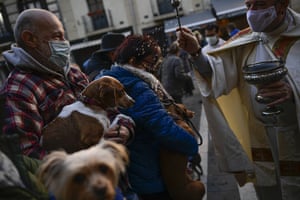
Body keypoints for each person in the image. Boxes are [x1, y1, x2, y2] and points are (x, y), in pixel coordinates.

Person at [0, 8, 134, 199]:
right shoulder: (18, 90)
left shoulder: (74, 73)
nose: (64, 43)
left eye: (64, 36)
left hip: (115, 182)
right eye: (57, 36)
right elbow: (27, 156)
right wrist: (82, 163)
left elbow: (109, 109)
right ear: (30, 39)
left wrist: (123, 129)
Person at [177, 0, 300, 199]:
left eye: (259, 5)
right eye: (248, 5)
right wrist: (195, 52)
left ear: (282, 5)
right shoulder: (247, 41)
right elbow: (216, 74)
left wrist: (294, 93)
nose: (252, 13)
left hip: (295, 133)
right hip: (263, 136)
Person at [95, 34, 199, 200]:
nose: (156, 65)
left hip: (133, 170)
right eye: (152, 60)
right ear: (133, 60)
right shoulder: (137, 86)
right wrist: (192, 146)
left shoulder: (107, 78)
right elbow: (163, 128)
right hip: (151, 170)